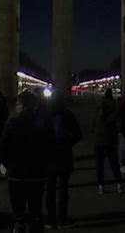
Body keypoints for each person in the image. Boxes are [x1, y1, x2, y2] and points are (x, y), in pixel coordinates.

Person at [0, 90, 55, 233]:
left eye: (17, 104)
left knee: (19, 214)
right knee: (36, 212)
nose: (16, 107)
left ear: (22, 105)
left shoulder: (13, 122)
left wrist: (6, 165)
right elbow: (52, 146)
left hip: (17, 175)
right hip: (38, 175)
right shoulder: (45, 122)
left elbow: (3, 148)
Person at [45, 91, 82, 230]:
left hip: (48, 157)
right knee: (63, 190)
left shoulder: (46, 115)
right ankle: (62, 219)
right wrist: (68, 144)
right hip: (64, 156)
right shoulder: (68, 114)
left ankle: (50, 220)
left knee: (49, 190)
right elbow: (78, 135)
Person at [93, 88, 125, 194]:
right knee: (114, 163)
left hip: (98, 139)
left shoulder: (99, 107)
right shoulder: (115, 107)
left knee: (99, 164)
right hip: (110, 139)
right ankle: (119, 185)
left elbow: (93, 123)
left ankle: (100, 186)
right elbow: (118, 123)